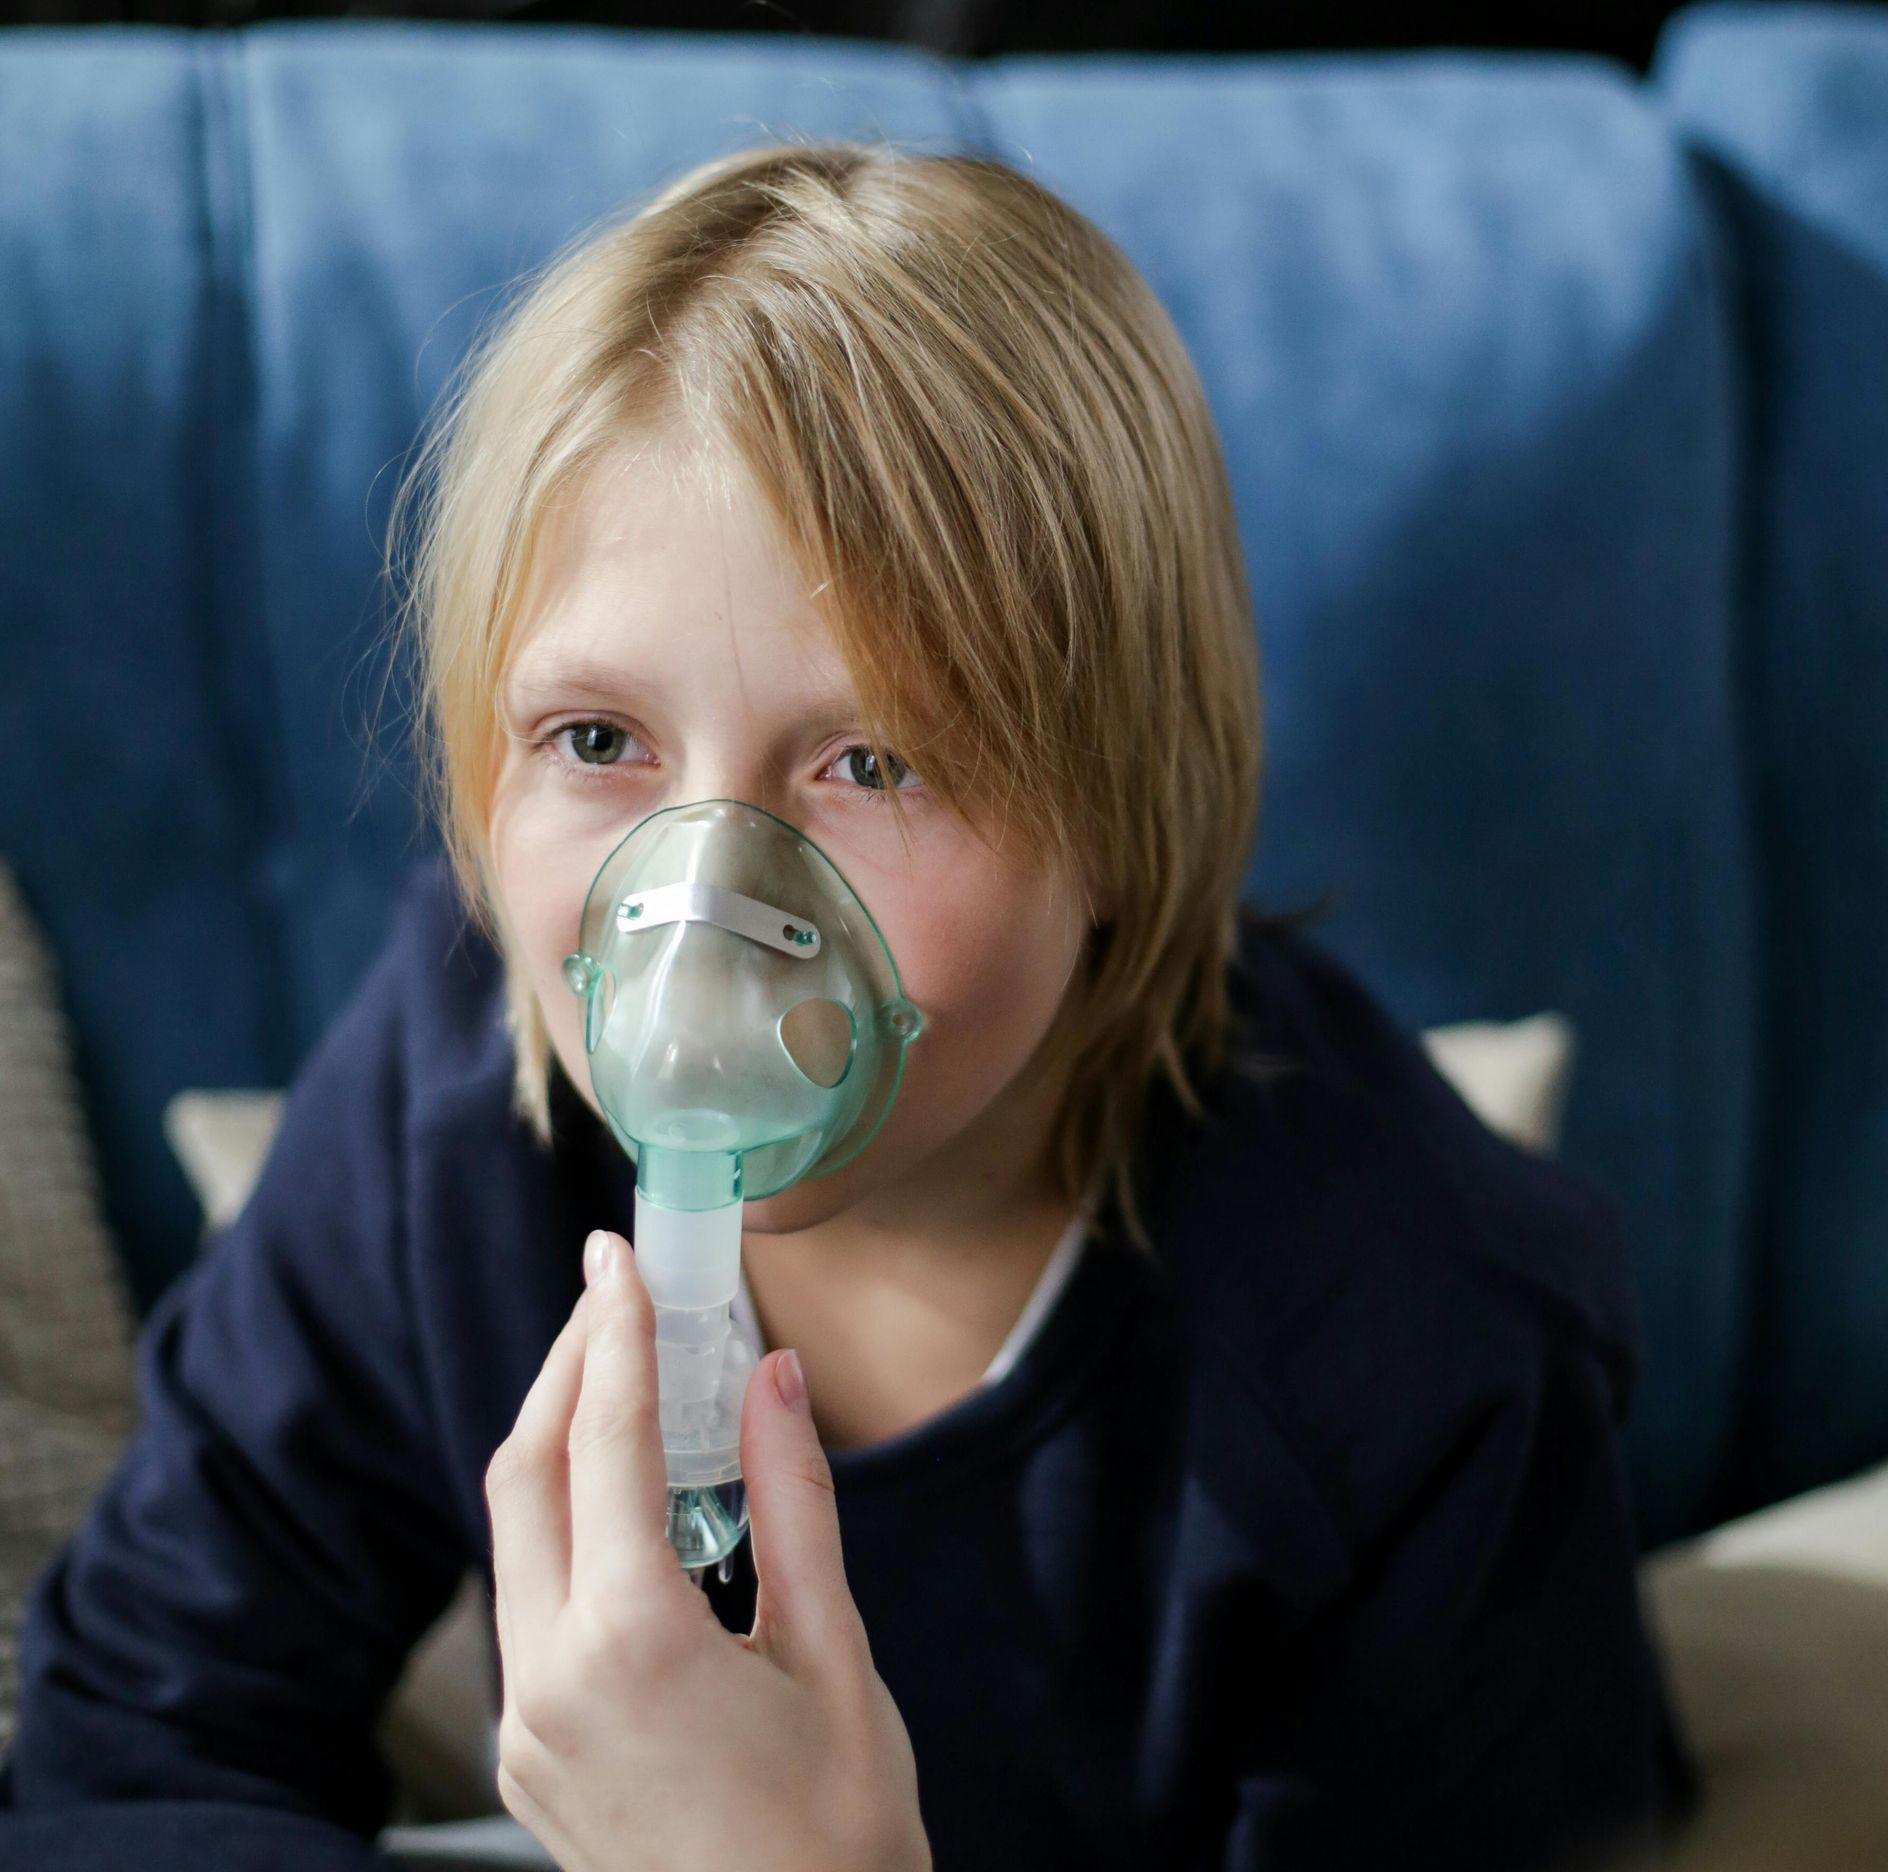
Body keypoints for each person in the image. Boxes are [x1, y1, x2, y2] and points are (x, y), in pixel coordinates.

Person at [0, 141, 1697, 1871]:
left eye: (874, 760)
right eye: (600, 744)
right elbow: (135, 1750)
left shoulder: (1421, 1357)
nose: (710, 918)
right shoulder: (445, 1112)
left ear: (1123, 812)